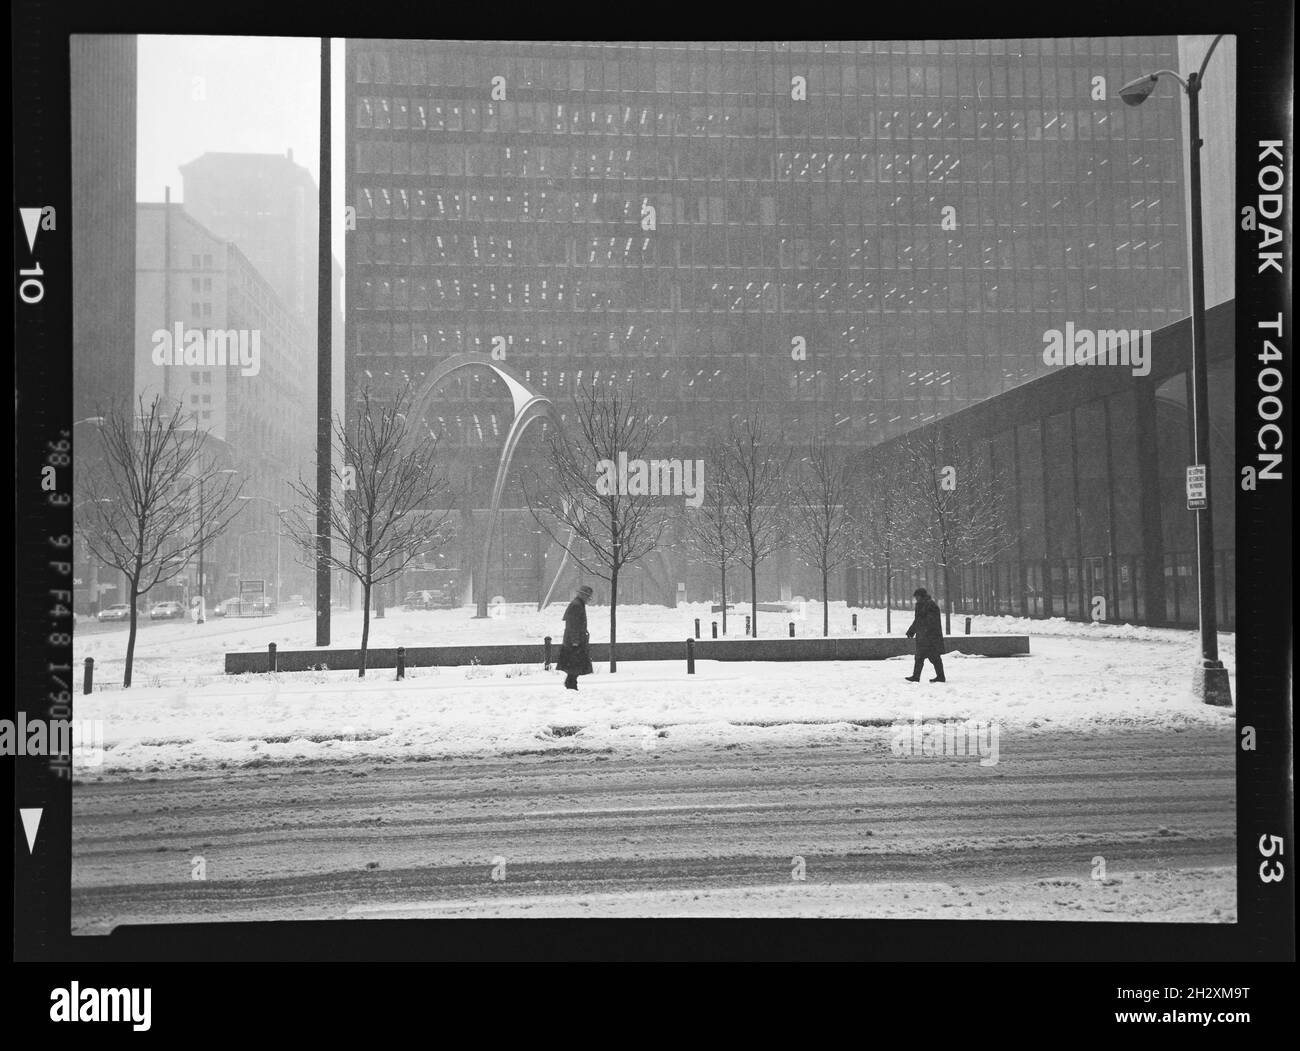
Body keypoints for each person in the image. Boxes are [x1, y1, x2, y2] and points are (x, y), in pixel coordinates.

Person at [904, 587, 946, 682]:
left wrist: (924, 631)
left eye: (917, 597)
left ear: (921, 596)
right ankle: (916, 676)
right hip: (924, 637)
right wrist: (912, 630)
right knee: (920, 657)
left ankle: (940, 676)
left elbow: (930, 621)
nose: (916, 599)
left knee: (934, 657)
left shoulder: (930, 605)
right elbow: (919, 620)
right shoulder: (921, 605)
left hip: (930, 637)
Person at [556, 584, 594, 690]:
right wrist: (575, 641)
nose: (588, 599)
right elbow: (573, 625)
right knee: (575, 664)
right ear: (583, 595)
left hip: (574, 640)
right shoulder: (577, 605)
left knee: (574, 665)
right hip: (574, 642)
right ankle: (571, 685)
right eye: (587, 597)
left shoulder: (577, 604)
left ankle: (571, 684)